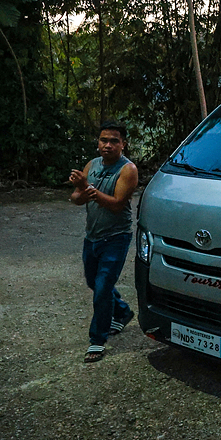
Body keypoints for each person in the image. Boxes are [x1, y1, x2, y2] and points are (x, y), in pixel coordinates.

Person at [69, 121, 139, 363]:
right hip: (92, 237)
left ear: (123, 144)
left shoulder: (128, 169)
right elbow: (76, 199)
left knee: (102, 288)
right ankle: (122, 311)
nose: (107, 145)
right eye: (103, 140)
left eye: (114, 141)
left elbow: (117, 203)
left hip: (116, 238)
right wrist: (80, 189)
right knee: (94, 282)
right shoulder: (93, 164)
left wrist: (86, 187)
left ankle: (97, 341)